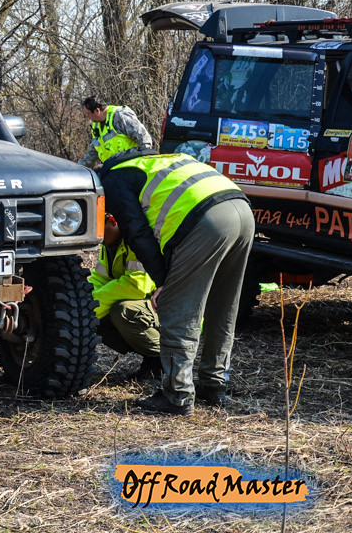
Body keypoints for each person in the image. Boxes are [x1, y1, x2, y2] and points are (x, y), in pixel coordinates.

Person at [98, 148, 254, 415]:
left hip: (204, 221)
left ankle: (177, 395)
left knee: (176, 309)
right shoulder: (159, 161)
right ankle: (214, 385)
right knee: (223, 307)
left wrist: (162, 281)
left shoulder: (112, 179)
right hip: (241, 209)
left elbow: (137, 232)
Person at [89, 213, 162, 381]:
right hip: (150, 309)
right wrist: (83, 303)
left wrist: (90, 308)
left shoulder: (139, 241)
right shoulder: (110, 243)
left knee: (123, 311)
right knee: (93, 316)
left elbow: (136, 286)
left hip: (170, 310)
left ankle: (167, 358)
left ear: (113, 220)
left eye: (97, 227)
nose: (95, 234)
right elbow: (100, 279)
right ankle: (151, 360)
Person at [78, 97, 153, 168]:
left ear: (97, 111)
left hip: (134, 167)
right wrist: (78, 168)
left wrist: (143, 164)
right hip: (114, 169)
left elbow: (145, 140)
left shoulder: (120, 116)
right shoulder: (96, 126)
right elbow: (92, 153)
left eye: (88, 113)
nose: (87, 116)